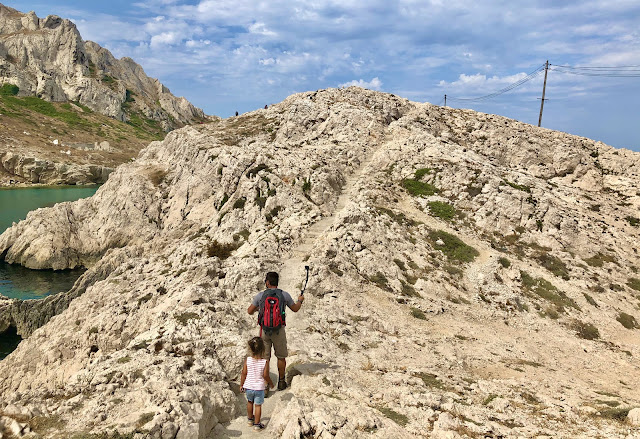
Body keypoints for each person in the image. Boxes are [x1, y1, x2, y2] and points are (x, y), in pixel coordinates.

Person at [248, 271, 304, 390]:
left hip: (264, 331)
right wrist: (300, 300)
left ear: (267, 283)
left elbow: (249, 311)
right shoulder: (284, 295)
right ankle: (282, 382)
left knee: (265, 358)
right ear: (277, 282)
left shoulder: (260, 296)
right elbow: (295, 309)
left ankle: (265, 386)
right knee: (281, 357)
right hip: (279, 331)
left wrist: (260, 308)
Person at [240, 336, 274, 431]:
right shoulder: (265, 362)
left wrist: (241, 384)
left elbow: (243, 373)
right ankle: (257, 425)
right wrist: (271, 383)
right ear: (263, 349)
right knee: (258, 406)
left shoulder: (248, 360)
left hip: (249, 387)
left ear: (251, 349)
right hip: (259, 388)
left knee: (250, 402)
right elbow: (265, 375)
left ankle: (250, 420)